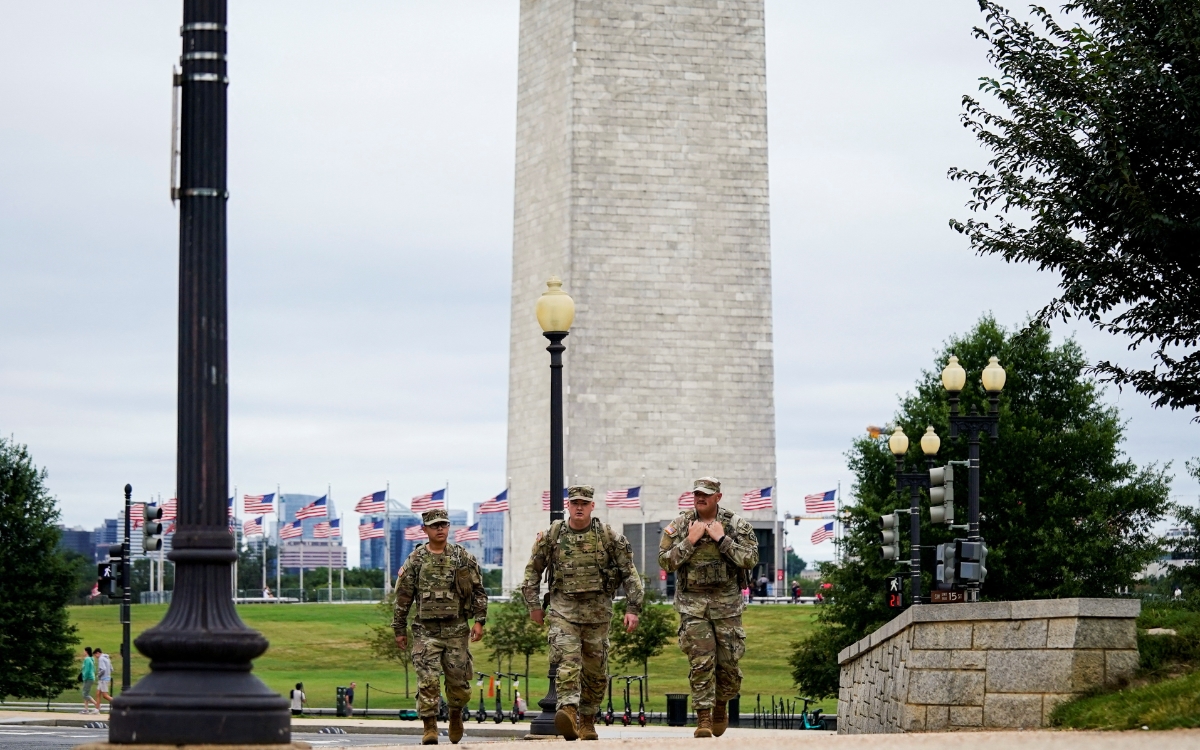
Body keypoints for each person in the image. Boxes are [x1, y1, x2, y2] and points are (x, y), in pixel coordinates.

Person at [522, 485, 643, 741]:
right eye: (575, 502)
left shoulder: (608, 537)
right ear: (568, 505)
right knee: (568, 661)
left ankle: (587, 719)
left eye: (584, 503)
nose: (579, 507)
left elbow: (629, 573)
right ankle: (567, 709)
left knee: (596, 672)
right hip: (562, 610)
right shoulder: (552, 535)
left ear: (592, 506)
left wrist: (633, 608)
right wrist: (533, 605)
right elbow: (532, 570)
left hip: (598, 614)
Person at [659, 477, 759, 738]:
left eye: (706, 494)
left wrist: (722, 539)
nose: (700, 498)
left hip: (727, 607)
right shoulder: (681, 525)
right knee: (701, 663)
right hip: (693, 607)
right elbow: (665, 561)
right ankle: (703, 718)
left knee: (728, 665)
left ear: (718, 497)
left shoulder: (736, 525)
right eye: (697, 494)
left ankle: (720, 705)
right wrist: (689, 542)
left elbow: (750, 558)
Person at [393, 508, 489, 745]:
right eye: (434, 525)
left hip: (457, 630)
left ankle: (456, 714)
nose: (440, 529)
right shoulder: (415, 560)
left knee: (459, 682)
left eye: (443, 524)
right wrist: (399, 629)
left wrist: (479, 620)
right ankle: (430, 727)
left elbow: (478, 590)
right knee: (428, 680)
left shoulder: (461, 557)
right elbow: (403, 596)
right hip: (426, 632)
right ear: (425, 529)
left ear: (448, 527)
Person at [80, 647, 97, 714]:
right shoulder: (91, 659)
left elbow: (86, 670)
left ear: (86, 651)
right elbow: (94, 669)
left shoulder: (87, 659)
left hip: (88, 678)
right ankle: (86, 709)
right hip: (91, 677)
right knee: (86, 692)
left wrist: (84, 677)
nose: (83, 652)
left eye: (84, 651)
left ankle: (97, 705)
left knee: (85, 694)